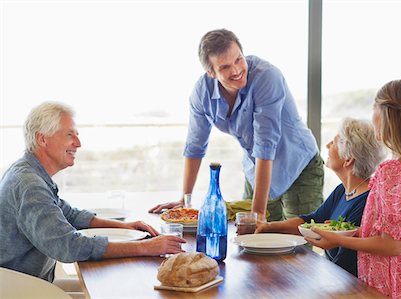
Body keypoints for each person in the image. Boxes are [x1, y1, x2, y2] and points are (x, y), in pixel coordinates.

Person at [0, 102, 185, 286]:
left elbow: (70, 215)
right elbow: (68, 246)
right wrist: (145, 248)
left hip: (30, 283)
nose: (78, 143)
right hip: (18, 289)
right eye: (69, 134)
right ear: (42, 139)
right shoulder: (29, 184)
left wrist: (125, 228)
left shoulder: (31, 174)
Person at [149, 28, 324, 221]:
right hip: (256, 170)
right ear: (211, 72)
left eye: (238, 59)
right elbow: (195, 146)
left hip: (298, 167)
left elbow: (265, 145)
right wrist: (185, 199)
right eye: (224, 67)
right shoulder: (202, 93)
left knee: (297, 244)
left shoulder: (267, 77)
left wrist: (257, 214)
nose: (236, 70)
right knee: (251, 244)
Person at [306, 79, 401, 298]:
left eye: (374, 107)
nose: (372, 115)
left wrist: (337, 239)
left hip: (392, 284)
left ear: (388, 115)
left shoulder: (393, 171)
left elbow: (392, 246)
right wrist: (355, 232)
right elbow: (398, 234)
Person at [256, 118, 385, 276]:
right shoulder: (342, 190)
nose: (328, 145)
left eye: (334, 142)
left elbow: (344, 264)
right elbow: (312, 220)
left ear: (348, 159)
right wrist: (268, 227)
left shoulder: (366, 202)